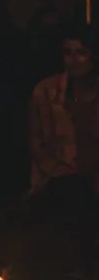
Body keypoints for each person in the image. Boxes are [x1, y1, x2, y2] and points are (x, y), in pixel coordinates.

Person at [28, 23, 99, 235]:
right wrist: (58, 171)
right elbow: (35, 141)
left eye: (81, 53)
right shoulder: (46, 91)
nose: (74, 60)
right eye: (68, 53)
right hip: (59, 182)